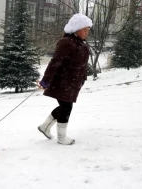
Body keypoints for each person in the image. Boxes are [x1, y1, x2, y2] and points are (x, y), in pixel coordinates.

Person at [37, 13, 92, 145]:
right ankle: (61, 137)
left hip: (72, 82)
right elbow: (55, 62)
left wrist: (83, 78)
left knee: (64, 106)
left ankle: (45, 127)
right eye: (85, 29)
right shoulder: (67, 42)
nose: (87, 32)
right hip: (62, 81)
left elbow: (82, 64)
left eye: (88, 30)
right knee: (66, 106)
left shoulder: (80, 43)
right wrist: (46, 80)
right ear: (77, 29)